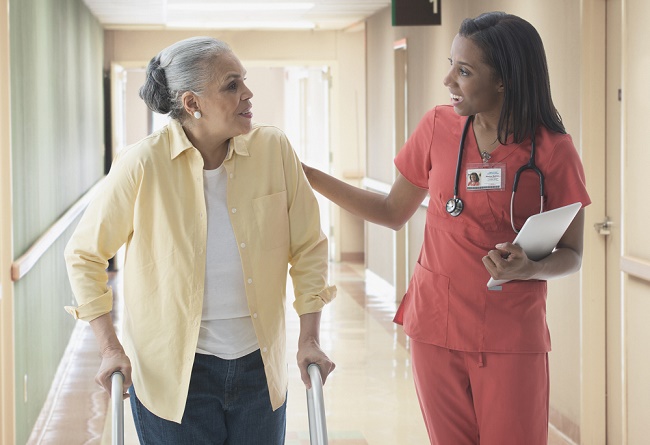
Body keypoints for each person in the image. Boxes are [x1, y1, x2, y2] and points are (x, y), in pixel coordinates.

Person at [302, 12, 590, 445]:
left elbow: (573, 253)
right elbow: (391, 211)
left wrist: (527, 268)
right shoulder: (438, 126)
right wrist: (306, 174)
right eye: (452, 64)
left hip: (510, 333)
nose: (448, 79)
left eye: (464, 70)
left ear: (504, 81)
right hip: (435, 325)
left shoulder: (552, 149)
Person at [64, 36, 336, 444]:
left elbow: (308, 246)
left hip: (259, 370)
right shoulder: (144, 164)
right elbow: (84, 254)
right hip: (172, 375)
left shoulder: (273, 150)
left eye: (243, 80)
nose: (248, 93)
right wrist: (109, 347)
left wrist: (309, 336)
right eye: (231, 85)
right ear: (192, 103)